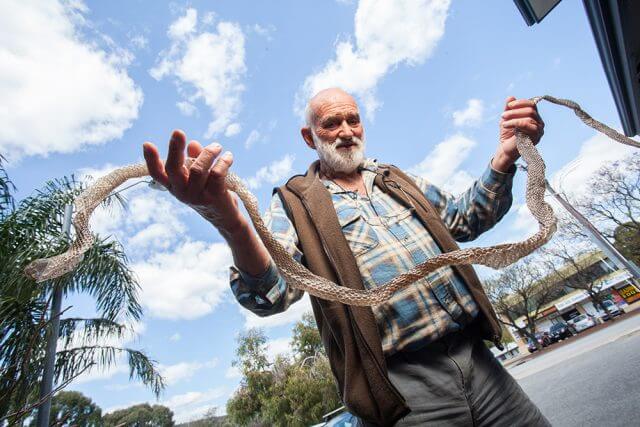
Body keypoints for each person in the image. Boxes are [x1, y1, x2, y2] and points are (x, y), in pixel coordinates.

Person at [142, 88, 550, 426]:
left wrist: (504, 156)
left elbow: (465, 219)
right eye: (331, 123)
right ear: (310, 137)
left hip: (480, 361)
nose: (345, 131)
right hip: (403, 388)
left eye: (352, 120)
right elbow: (272, 293)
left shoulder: (395, 179)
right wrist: (231, 223)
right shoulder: (294, 204)